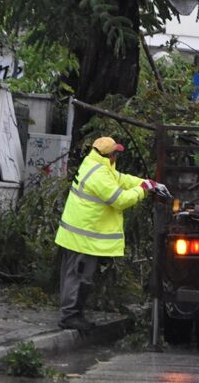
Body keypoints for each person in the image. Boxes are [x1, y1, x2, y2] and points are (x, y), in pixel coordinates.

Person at [55, 136, 169, 331]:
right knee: (79, 277)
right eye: (116, 153)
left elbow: (122, 179)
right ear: (108, 156)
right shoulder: (99, 175)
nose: (117, 156)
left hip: (81, 235)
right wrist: (143, 190)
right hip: (83, 237)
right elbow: (120, 200)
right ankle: (70, 316)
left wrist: (147, 183)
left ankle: (73, 314)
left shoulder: (96, 165)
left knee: (77, 276)